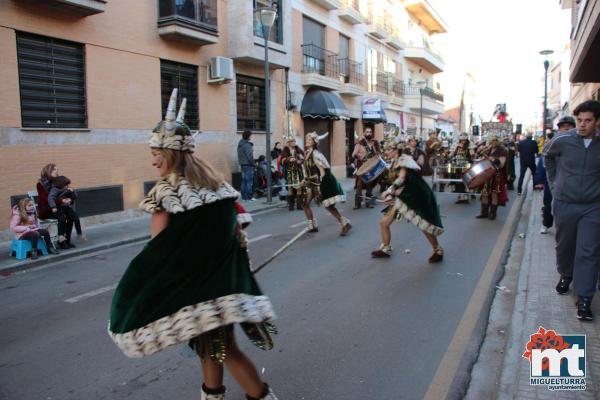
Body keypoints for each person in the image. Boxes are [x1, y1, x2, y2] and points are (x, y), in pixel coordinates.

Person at [108, 89, 279, 400]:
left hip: (197, 291)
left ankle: (263, 397)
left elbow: (159, 253)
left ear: (170, 153)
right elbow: (237, 240)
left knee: (224, 350)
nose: (153, 160)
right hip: (221, 286)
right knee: (211, 348)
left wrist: (142, 292)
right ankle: (213, 395)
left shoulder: (164, 194)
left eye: (156, 153)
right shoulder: (218, 187)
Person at [544, 100, 600, 321]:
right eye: (579, 120)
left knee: (588, 251)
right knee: (565, 246)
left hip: (593, 207)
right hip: (565, 203)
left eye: (588, 121)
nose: (582, 125)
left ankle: (584, 298)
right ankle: (565, 274)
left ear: (597, 121)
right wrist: (555, 184)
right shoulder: (563, 140)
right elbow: (547, 158)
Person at [371, 145, 444, 262]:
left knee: (424, 225)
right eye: (386, 149)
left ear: (396, 150)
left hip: (415, 196)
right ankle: (385, 248)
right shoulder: (393, 162)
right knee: (384, 223)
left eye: (389, 149)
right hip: (401, 197)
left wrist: (389, 191)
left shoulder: (404, 160)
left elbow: (402, 178)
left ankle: (438, 250)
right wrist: (391, 194)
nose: (386, 151)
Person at [302, 131, 352, 235]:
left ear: (314, 142)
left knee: (328, 206)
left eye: (309, 139)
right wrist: (305, 179)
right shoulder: (307, 153)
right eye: (306, 139)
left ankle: (344, 223)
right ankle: (312, 225)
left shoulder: (316, 154)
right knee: (305, 204)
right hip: (311, 183)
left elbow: (322, 170)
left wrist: (321, 183)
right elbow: (307, 169)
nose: (307, 141)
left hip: (318, 183)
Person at [534, 116, 575, 234]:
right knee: (548, 202)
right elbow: (543, 162)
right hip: (552, 179)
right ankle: (546, 224)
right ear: (559, 129)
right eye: (563, 127)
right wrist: (539, 181)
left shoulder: (578, 143)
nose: (566, 129)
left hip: (570, 180)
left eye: (569, 127)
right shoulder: (553, 143)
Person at [475, 134, 508, 220]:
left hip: (496, 174)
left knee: (494, 193)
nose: (492, 143)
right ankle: (484, 213)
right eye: (491, 141)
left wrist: (493, 159)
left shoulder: (502, 150)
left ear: (497, 141)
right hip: (487, 174)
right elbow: (478, 156)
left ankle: (493, 213)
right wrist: (480, 151)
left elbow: (501, 164)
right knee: (485, 193)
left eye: (494, 141)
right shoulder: (488, 149)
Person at [48, 175, 82, 249]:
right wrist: (53, 207)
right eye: (65, 185)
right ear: (60, 184)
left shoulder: (67, 189)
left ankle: (77, 235)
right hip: (58, 208)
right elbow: (51, 198)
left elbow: (74, 197)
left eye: (67, 185)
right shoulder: (55, 189)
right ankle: (61, 238)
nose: (67, 186)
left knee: (75, 217)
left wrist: (72, 193)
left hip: (67, 207)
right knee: (62, 218)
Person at [352, 127, 381, 209]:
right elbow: (353, 154)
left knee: (369, 186)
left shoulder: (374, 143)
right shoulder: (359, 143)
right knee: (359, 186)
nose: (369, 133)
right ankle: (357, 204)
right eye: (367, 132)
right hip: (362, 168)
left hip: (371, 168)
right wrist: (360, 157)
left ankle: (369, 203)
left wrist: (377, 156)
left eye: (370, 132)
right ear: (364, 133)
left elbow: (378, 154)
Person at [280, 136, 305, 211]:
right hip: (289, 172)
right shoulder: (285, 150)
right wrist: (289, 159)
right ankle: (291, 206)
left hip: (298, 171)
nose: (294, 142)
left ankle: (299, 205)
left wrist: (300, 161)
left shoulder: (298, 149)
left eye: (294, 141)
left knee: (299, 187)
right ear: (288, 143)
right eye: (292, 141)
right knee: (290, 188)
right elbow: (282, 160)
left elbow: (303, 158)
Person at [450, 133, 472, 204]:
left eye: (464, 140)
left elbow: (472, 156)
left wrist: (470, 157)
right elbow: (453, 155)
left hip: (466, 166)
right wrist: (452, 156)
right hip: (458, 166)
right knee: (458, 181)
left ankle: (466, 198)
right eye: (462, 140)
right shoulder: (457, 146)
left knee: (465, 181)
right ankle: (460, 197)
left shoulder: (470, 146)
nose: (463, 141)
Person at [237, 130, 255, 201]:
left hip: (242, 165)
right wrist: (253, 164)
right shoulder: (247, 145)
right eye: (250, 135)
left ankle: (244, 196)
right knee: (249, 181)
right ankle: (249, 197)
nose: (251, 136)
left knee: (244, 181)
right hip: (248, 165)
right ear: (248, 136)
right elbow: (249, 156)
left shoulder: (240, 144)